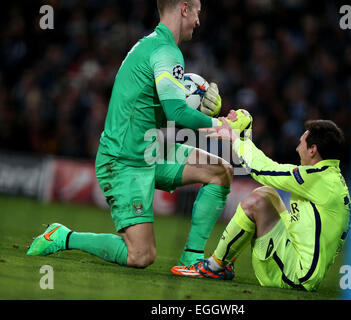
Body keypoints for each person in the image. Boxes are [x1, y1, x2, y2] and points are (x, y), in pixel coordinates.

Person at [27, 0, 251, 268]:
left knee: (220, 170)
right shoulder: (165, 51)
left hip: (149, 150)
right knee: (141, 256)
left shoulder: (152, 46)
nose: (198, 21)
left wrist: (194, 97)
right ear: (184, 9)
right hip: (123, 160)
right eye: (197, 13)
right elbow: (176, 111)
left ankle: (192, 259)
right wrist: (220, 125)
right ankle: (63, 236)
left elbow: (163, 103)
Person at [172, 113, 351, 291]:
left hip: (297, 275)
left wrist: (235, 140)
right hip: (304, 261)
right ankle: (224, 263)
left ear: (313, 150)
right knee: (267, 195)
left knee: (256, 202)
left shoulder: (318, 179)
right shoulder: (330, 178)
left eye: (301, 143)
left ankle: (214, 266)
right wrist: (243, 136)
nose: (297, 148)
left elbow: (264, 170)